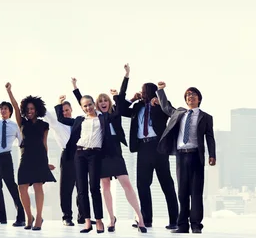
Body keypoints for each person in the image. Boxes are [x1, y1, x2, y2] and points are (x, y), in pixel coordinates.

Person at [71, 64, 147, 233]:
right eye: (101, 101)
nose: (103, 103)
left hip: (115, 152)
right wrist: (75, 88)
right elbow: (83, 103)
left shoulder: (115, 113)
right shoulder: (97, 117)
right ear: (97, 105)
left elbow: (122, 97)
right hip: (100, 153)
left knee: (126, 183)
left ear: (110, 102)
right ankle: (111, 219)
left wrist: (127, 75)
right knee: (105, 186)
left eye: (106, 100)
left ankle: (139, 217)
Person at [155, 82, 216, 234]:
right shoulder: (179, 113)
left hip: (196, 156)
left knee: (196, 192)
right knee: (182, 192)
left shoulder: (206, 117)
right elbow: (165, 107)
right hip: (181, 156)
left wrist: (212, 155)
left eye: (193, 94)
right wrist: (161, 91)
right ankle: (182, 225)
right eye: (188, 95)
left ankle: (196, 225)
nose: (190, 97)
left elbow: (210, 137)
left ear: (199, 99)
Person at [120, 81, 179, 230]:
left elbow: (170, 111)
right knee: (142, 185)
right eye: (142, 90)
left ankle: (175, 220)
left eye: (145, 90)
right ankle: (146, 220)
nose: (143, 92)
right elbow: (120, 110)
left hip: (158, 147)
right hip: (143, 147)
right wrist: (133, 99)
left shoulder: (160, 105)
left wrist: (160, 96)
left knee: (166, 184)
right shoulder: (138, 107)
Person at [56, 93, 116, 234]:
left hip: (95, 154)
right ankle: (87, 221)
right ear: (82, 108)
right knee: (82, 190)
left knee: (94, 188)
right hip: (80, 154)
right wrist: (60, 104)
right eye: (85, 106)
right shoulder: (79, 120)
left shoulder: (103, 118)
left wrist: (118, 96)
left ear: (93, 104)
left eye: (90, 104)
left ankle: (99, 221)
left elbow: (118, 112)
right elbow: (61, 119)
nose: (88, 107)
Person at [5, 83, 55, 231]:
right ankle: (29, 216)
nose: (30, 111)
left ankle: (39, 217)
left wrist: (47, 162)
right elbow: (14, 106)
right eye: (27, 110)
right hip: (25, 157)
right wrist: (9, 91)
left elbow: (45, 144)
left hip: (40, 157)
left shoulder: (44, 125)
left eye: (32, 109)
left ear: (37, 109)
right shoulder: (22, 123)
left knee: (39, 187)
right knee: (22, 187)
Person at [0, 88, 25, 227]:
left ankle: (21, 216)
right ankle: (0, 215)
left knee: (11, 186)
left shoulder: (14, 126)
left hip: (6, 158)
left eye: (5, 109)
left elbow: (21, 142)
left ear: (10, 111)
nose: (3, 111)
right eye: (1, 109)